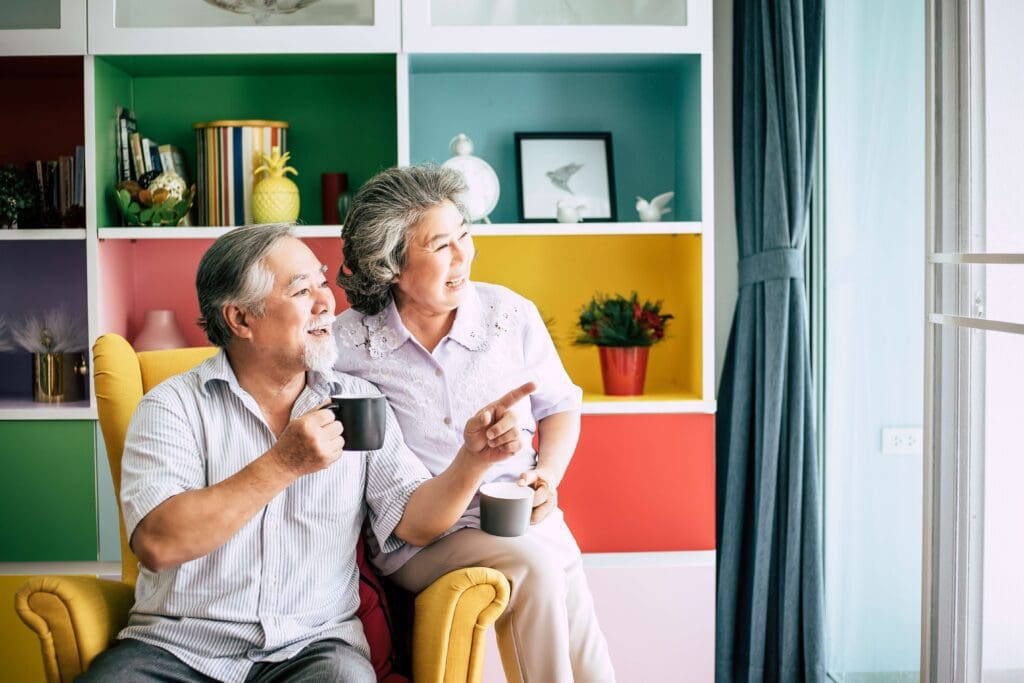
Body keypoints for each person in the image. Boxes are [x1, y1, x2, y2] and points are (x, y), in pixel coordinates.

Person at [80, 223, 534, 682]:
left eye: (322, 282)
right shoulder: (171, 406)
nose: (326, 303)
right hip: (177, 651)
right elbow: (159, 544)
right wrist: (283, 463)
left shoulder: (359, 402)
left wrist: (473, 461)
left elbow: (415, 521)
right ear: (240, 319)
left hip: (316, 650)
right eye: (302, 291)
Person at [334, 165, 617, 683]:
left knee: (591, 660)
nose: (463, 255)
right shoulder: (346, 345)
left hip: (521, 516)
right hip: (422, 540)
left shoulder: (510, 313)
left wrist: (546, 478)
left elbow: (560, 406)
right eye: (441, 245)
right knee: (531, 563)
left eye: (465, 234)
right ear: (391, 266)